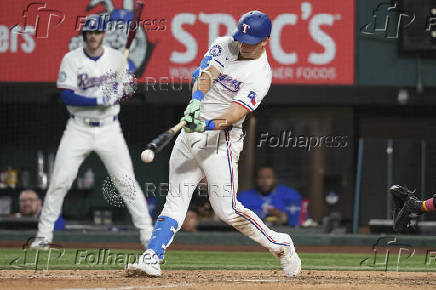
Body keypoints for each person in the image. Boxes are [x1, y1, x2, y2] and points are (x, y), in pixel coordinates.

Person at [127, 11, 301, 277]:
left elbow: (235, 113)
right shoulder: (225, 43)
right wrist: (196, 100)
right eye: (241, 38)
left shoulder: (261, 74)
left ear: (265, 41)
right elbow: (207, 73)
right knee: (175, 199)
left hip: (221, 140)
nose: (243, 44)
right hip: (190, 132)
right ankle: (151, 256)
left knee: (227, 210)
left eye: (250, 40)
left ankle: (281, 244)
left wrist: (207, 124)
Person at [30, 14, 153, 249]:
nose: (93, 36)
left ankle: (148, 235)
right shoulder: (71, 59)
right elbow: (66, 94)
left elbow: (129, 88)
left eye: (97, 32)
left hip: (109, 128)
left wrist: (124, 87)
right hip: (78, 127)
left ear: (104, 34)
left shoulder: (117, 58)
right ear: (84, 34)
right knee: (60, 181)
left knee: (126, 181)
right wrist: (98, 99)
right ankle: (43, 235)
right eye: (89, 32)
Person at [238, 167, 302, 226]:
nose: (265, 181)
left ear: (275, 179)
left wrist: (282, 215)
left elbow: (301, 219)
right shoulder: (243, 197)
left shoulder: (290, 194)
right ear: (256, 180)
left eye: (268, 177)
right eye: (261, 177)